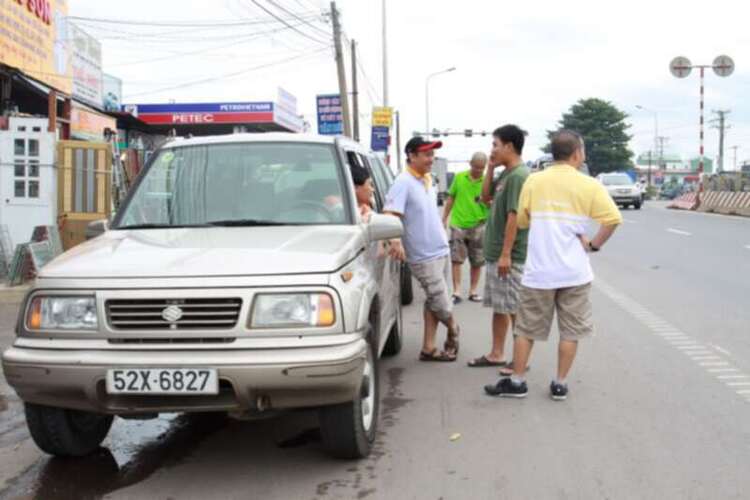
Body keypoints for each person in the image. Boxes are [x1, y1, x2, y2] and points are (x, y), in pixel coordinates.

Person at [484, 130, 622, 400]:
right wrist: (592, 244)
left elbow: (522, 220)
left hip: (539, 272)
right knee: (570, 331)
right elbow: (613, 219)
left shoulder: (534, 181)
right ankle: (559, 383)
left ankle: (517, 381)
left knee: (526, 329)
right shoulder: (590, 185)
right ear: (577, 154)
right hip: (575, 272)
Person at [385, 137, 461, 362]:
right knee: (442, 302)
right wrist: (396, 241)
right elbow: (390, 214)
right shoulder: (403, 182)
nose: (431, 159)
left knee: (433, 300)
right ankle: (454, 329)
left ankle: (428, 348)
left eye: (432, 154)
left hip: (440, 249)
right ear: (411, 155)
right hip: (422, 256)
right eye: (426, 154)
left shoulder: (427, 179)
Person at [468, 125, 530, 371]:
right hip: (497, 255)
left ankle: (520, 361)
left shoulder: (518, 176)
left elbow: (515, 216)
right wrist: (491, 168)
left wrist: (506, 254)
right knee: (500, 308)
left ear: (509, 146)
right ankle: (497, 354)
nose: (492, 149)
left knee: (514, 309)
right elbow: (485, 198)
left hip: (510, 258)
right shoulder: (506, 174)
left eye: (495, 144)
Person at [442, 152, 488, 304]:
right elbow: (451, 198)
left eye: (481, 168)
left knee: (477, 261)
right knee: (457, 259)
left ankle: (473, 291)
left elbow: (492, 202)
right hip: (459, 225)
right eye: (476, 167)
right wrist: (444, 218)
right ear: (470, 164)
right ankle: (456, 291)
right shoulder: (460, 177)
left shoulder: (488, 181)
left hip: (479, 225)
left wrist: (486, 202)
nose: (478, 171)